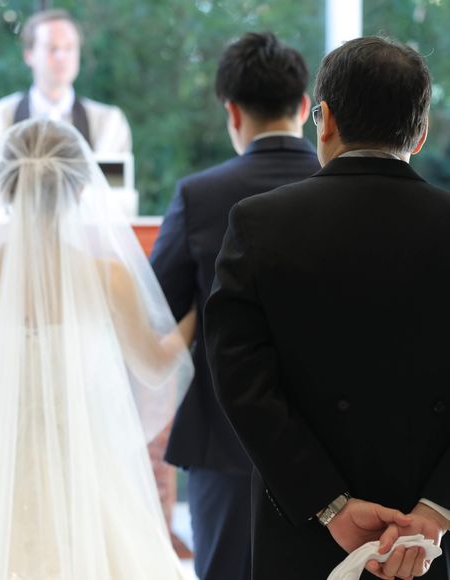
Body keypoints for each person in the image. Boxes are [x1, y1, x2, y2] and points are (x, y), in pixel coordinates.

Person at [0, 119, 194, 579]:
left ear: (3, 186)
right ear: (80, 188)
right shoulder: (107, 277)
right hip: (81, 458)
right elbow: (155, 365)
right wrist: (199, 312)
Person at [205, 35, 450, 580]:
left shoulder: (259, 223)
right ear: (421, 131)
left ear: (326, 119)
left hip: (302, 528)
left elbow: (240, 380)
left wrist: (330, 503)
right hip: (428, 541)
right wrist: (436, 508)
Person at [150, 32, 320, 580]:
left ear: (232, 112)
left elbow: (156, 307)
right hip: (329, 448)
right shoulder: (337, 189)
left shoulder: (198, 196)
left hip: (224, 444)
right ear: (303, 106)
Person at [0, 9, 132, 202]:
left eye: (69, 47)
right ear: (29, 55)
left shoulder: (109, 122)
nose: (61, 56)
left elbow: (114, 197)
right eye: (52, 48)